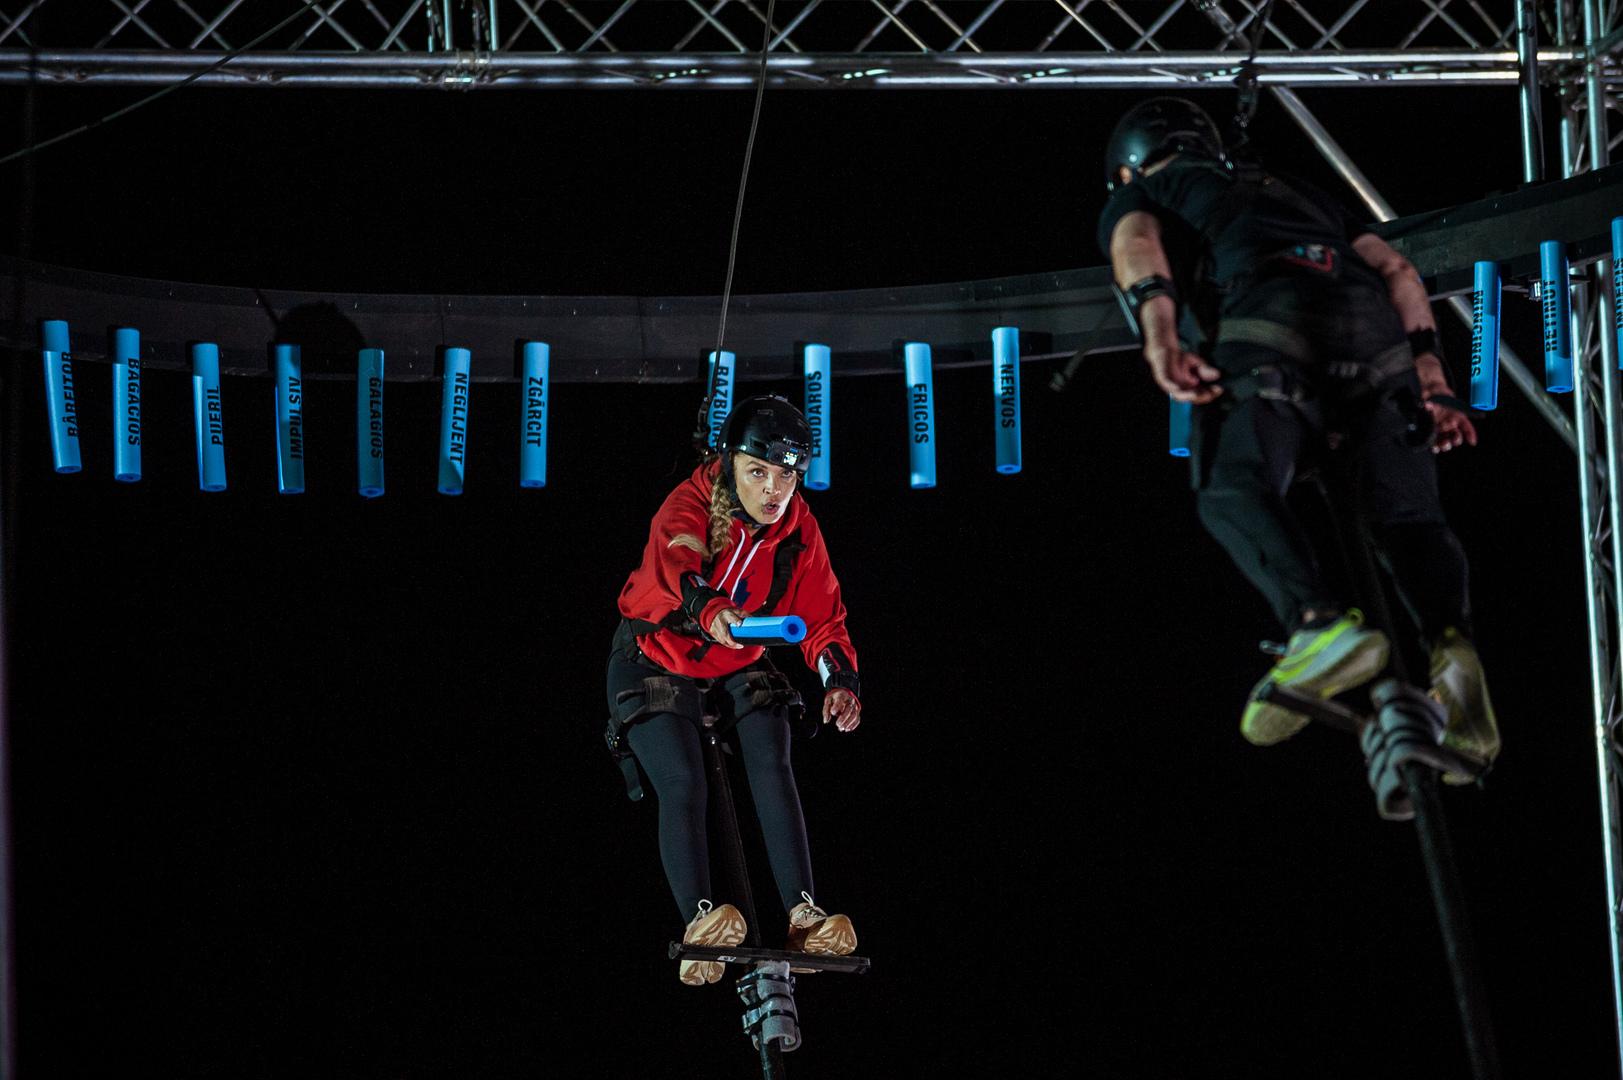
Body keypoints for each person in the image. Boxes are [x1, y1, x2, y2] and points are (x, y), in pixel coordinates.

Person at [1096, 96, 1498, 775]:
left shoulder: (1148, 191)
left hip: (1270, 322)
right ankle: (1450, 645)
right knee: (1408, 520)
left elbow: (1136, 244)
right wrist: (1430, 378)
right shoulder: (1298, 191)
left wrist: (1159, 338)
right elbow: (1398, 271)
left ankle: (1316, 625)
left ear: (1129, 170)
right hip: (1375, 342)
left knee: (1231, 486)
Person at [606, 394, 862, 985]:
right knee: (682, 778)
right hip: (656, 656)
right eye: (758, 472)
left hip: (737, 661)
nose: (773, 490)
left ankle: (804, 914)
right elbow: (677, 561)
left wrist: (840, 680)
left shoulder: (799, 530)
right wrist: (711, 609)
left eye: (787, 476)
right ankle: (700, 922)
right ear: (730, 464)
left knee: (772, 761)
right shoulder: (692, 500)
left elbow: (823, 616)